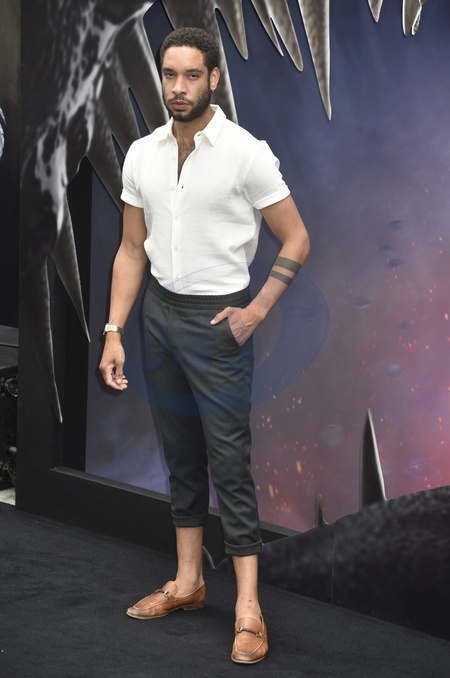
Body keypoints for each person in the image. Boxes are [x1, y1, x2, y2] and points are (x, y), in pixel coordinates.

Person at [99, 26, 310, 665]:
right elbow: (131, 250)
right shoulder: (142, 154)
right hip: (157, 317)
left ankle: (248, 608)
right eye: (170, 75)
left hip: (218, 324)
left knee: (229, 465)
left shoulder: (246, 154)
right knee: (181, 458)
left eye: (192, 75)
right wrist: (114, 330)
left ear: (213, 78)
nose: (179, 87)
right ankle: (188, 582)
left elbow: (296, 237)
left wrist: (257, 311)